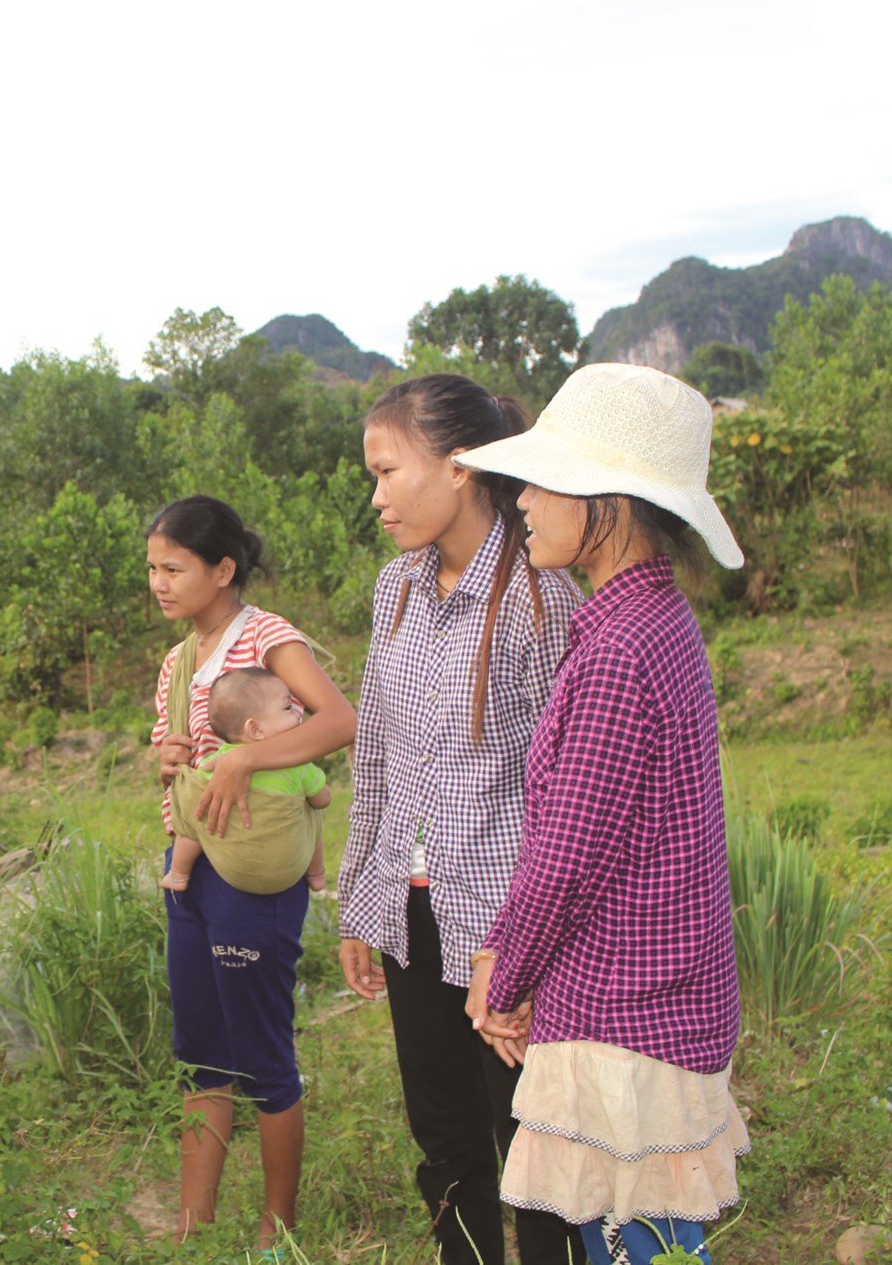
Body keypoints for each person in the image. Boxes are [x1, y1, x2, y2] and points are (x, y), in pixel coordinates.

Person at [457, 364, 751, 1265]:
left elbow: (569, 855)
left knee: (640, 1242)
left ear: (611, 501)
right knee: (651, 1239)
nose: (523, 504)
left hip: (628, 1015)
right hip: (657, 995)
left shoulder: (619, 650)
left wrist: (500, 980)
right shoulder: (651, 622)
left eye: (546, 483)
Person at [336, 374, 587, 1265]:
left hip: (506, 925)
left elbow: (565, 792)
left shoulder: (541, 598)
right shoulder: (396, 590)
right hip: (412, 912)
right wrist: (361, 899)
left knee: (534, 1141)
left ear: (458, 467)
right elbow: (378, 761)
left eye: (387, 471)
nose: (376, 497)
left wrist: (522, 947)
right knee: (443, 1137)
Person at [147, 495, 357, 1250]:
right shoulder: (177, 661)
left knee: (263, 1051)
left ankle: (278, 1223)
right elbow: (175, 754)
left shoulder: (263, 636)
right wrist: (169, 759)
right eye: (152, 569)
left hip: (256, 877)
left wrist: (244, 756)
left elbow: (337, 720)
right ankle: (193, 1218)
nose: (160, 583)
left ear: (223, 568)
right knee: (201, 1048)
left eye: (175, 568)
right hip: (193, 870)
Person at [158, 665, 332, 894]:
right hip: (283, 871)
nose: (297, 715)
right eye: (288, 708)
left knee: (195, 819)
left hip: (228, 865)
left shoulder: (215, 763)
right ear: (255, 728)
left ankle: (179, 874)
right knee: (313, 817)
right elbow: (322, 801)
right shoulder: (296, 764)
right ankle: (316, 873)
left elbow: (195, 799)